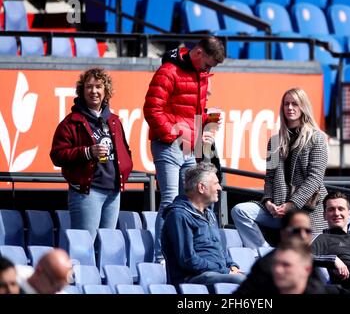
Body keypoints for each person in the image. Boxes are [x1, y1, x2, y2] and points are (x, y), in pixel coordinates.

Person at [143, 36, 225, 262]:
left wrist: (207, 123)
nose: (209, 70)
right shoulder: (168, 71)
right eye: (208, 64)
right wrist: (175, 134)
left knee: (192, 200)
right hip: (169, 144)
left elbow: (190, 113)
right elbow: (151, 109)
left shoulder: (201, 74)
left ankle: (187, 254)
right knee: (170, 200)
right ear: (198, 52)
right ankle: (160, 258)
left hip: (188, 145)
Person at [232, 88, 329, 249]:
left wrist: (291, 204)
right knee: (240, 210)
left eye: (295, 104)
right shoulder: (275, 141)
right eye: (286, 104)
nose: (290, 108)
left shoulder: (317, 138)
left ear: (303, 106)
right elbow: (269, 177)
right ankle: (265, 252)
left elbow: (315, 179)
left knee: (305, 252)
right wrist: (268, 201)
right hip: (277, 209)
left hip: (306, 210)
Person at [50, 68, 133, 238]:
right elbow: (57, 155)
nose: (94, 91)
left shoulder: (114, 121)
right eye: (89, 87)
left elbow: (125, 151)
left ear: (106, 91)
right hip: (87, 193)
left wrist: (124, 172)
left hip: (113, 192)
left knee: (107, 247)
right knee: (84, 247)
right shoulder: (71, 122)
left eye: (98, 87)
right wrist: (87, 152)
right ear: (82, 91)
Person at [161, 162, 245, 292]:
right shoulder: (178, 215)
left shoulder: (209, 214)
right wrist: (225, 270)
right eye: (216, 183)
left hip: (216, 273)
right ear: (201, 187)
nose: (220, 188)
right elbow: (188, 260)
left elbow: (219, 250)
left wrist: (231, 265)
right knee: (243, 282)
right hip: (191, 279)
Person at [235, 209, 339, 295]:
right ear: (283, 233)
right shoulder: (267, 265)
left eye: (307, 231)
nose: (303, 236)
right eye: (296, 231)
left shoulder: (306, 259)